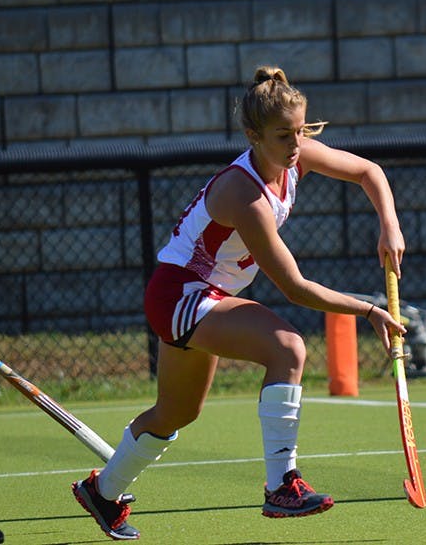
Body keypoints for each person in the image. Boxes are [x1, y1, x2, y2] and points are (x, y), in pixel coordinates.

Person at [70, 66, 407, 540]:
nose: (295, 145)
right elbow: (293, 287)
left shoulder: (296, 157)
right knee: (287, 347)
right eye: (282, 136)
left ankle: (101, 493)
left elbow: (369, 172)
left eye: (300, 131)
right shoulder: (243, 192)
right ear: (253, 135)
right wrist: (369, 310)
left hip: (200, 297)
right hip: (181, 294)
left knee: (176, 413)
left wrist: (388, 225)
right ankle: (282, 486)